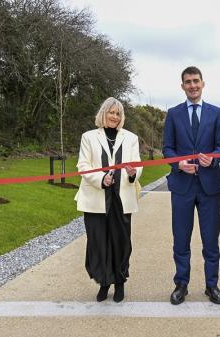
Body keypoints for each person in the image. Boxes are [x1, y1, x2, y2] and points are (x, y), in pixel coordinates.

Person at [163, 66, 220, 305]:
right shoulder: (173, 114)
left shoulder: (216, 113)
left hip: (209, 186)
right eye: (188, 82)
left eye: (196, 81)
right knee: (181, 238)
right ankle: (181, 284)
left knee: (211, 239)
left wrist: (213, 157)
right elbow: (167, 149)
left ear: (203, 83)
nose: (192, 85)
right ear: (182, 86)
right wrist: (178, 164)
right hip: (182, 186)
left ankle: (212, 285)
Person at [75, 97, 142, 303]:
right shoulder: (88, 137)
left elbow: (137, 165)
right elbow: (83, 165)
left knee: (121, 242)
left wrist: (133, 172)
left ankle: (120, 282)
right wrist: (100, 178)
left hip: (122, 198)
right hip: (96, 198)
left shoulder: (131, 138)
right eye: (111, 112)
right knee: (98, 242)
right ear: (103, 113)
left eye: (118, 113)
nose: (115, 116)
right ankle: (103, 283)